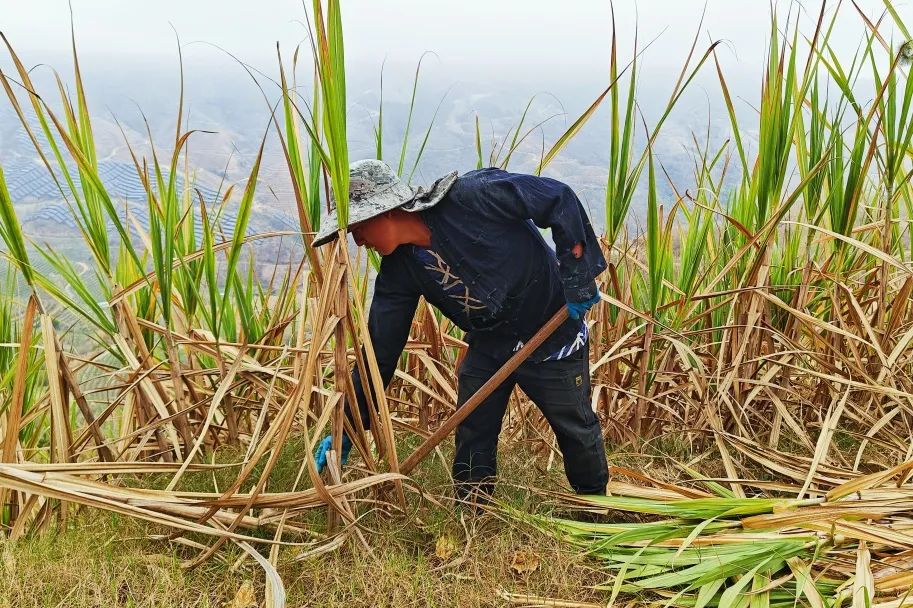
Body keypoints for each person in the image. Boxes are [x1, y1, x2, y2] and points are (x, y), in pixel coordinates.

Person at [312, 159, 609, 500]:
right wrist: (350, 422)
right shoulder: (399, 273)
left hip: (551, 333)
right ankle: (473, 511)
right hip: (490, 343)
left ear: (385, 211)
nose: (359, 241)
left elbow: (557, 198)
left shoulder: (473, 196)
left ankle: (594, 506)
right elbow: (379, 353)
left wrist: (577, 276)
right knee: (473, 428)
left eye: (358, 228)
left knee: (573, 424)